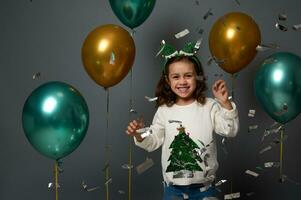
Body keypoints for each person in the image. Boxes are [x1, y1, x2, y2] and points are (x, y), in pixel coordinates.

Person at [126, 41, 239, 200]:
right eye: (176, 77)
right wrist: (139, 134)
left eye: (188, 75)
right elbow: (153, 141)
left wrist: (225, 103)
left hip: (205, 189)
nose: (182, 82)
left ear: (197, 76)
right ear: (168, 80)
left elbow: (230, 130)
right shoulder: (164, 110)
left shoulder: (209, 106)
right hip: (174, 191)